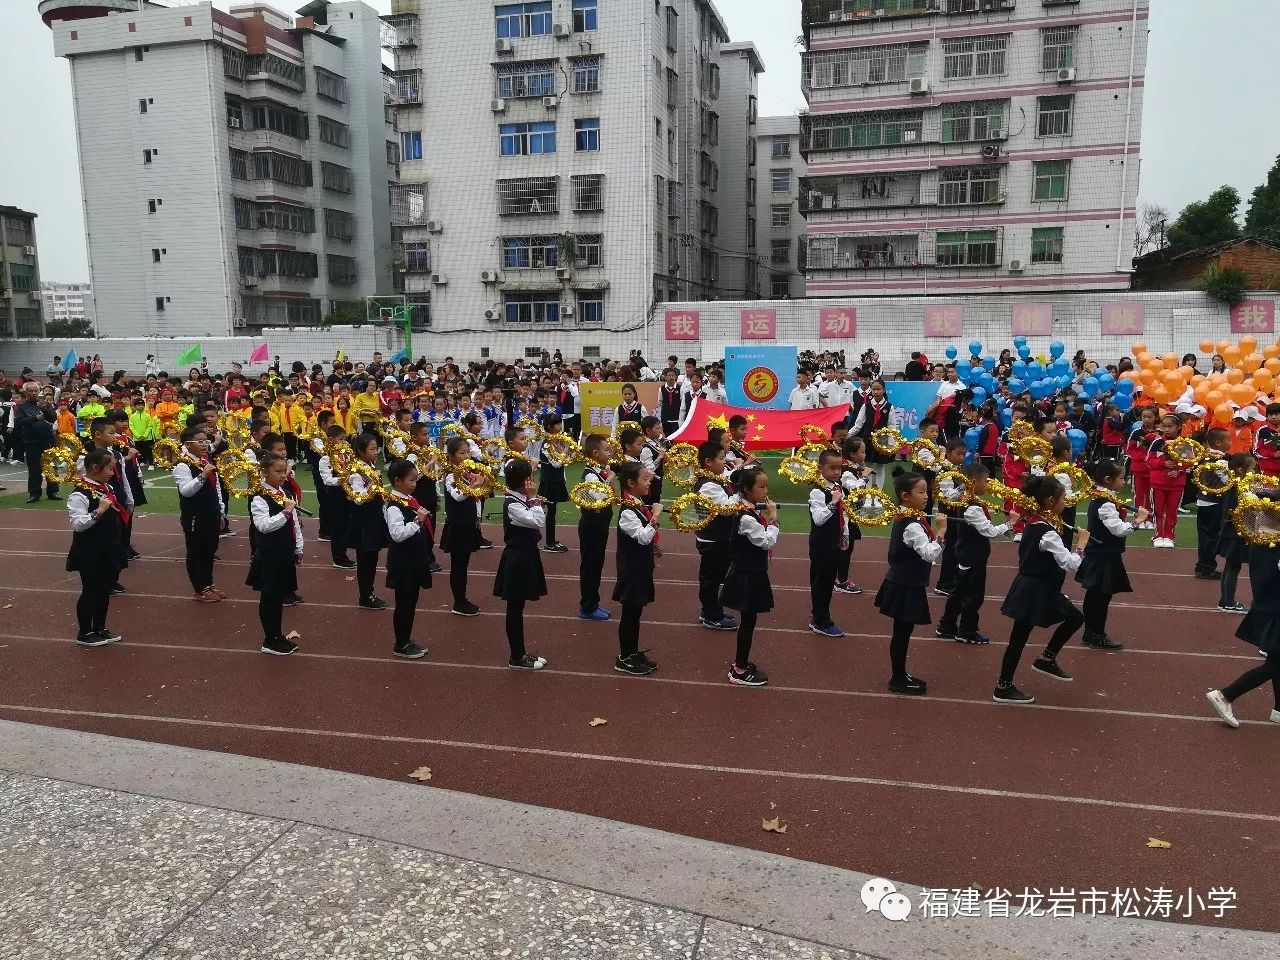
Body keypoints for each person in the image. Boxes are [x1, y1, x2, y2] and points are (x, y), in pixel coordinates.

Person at [995, 475, 1085, 704]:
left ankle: (1006, 684)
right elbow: (1070, 563)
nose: (1067, 502)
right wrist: (1082, 544)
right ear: (1050, 501)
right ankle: (1044, 660)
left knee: (1019, 637)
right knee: (1074, 618)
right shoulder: (1046, 531)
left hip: (1032, 585)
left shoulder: (1034, 523)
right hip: (1037, 588)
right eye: (1063, 498)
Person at [1205, 509, 1280, 728]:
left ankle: (1278, 709)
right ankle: (1226, 695)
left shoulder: (1262, 539)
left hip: (1270, 606)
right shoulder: (1271, 543)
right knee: (1275, 664)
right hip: (1275, 609)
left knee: (1276, 660)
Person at [874, 472, 945, 695]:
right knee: (902, 632)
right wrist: (941, 532)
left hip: (906, 582)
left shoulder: (912, 518)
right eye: (921, 492)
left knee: (903, 631)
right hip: (904, 584)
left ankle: (901, 674)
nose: (926, 496)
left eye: (927, 491)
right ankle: (897, 678)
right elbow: (929, 554)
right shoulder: (912, 525)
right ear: (905, 496)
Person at [934, 463, 1016, 646]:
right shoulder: (972, 508)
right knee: (973, 596)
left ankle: (946, 626)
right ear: (972, 482)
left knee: (958, 592)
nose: (987, 485)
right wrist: (1010, 524)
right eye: (985, 481)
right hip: (973, 556)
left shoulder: (966, 498)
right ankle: (967, 631)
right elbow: (990, 532)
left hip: (966, 553)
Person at [1075, 459, 1146, 651]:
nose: (1124, 482)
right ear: (1108, 479)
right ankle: (1095, 633)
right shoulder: (1105, 503)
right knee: (1100, 595)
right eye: (1122, 478)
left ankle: (1092, 632)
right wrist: (1137, 521)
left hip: (1102, 553)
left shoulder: (1105, 498)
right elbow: (1118, 530)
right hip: (1103, 555)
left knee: (1097, 595)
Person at [719, 466, 777, 687]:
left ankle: (741, 664)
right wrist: (773, 519)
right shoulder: (745, 516)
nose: (765, 491)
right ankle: (739, 669)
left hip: (752, 572)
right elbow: (765, 541)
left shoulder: (749, 509)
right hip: (746, 574)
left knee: (749, 621)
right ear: (747, 489)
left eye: (766, 486)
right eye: (761, 487)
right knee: (747, 622)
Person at [66, 448, 128, 647]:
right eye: (110, 469)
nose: (112, 473)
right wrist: (99, 511)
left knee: (103, 590)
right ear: (95, 467)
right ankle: (85, 632)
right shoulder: (80, 493)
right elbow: (78, 524)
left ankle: (100, 628)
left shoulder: (105, 488)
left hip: (108, 547)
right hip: (90, 551)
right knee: (91, 590)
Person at [494, 458, 550, 670]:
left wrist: (534, 501)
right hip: (517, 558)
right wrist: (534, 499)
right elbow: (537, 522)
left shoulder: (520, 499)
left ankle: (520, 652)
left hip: (526, 555)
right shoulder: (512, 504)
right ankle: (516, 656)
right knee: (515, 607)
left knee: (519, 606)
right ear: (526, 481)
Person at [248, 453, 303, 656]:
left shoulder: (285, 492)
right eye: (277, 471)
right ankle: (270, 638)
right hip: (269, 555)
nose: (282, 475)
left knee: (279, 596)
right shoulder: (259, 498)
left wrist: (298, 547)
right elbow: (263, 526)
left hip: (285, 553)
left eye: (284, 471)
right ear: (264, 472)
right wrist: (285, 513)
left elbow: (294, 524)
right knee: (269, 597)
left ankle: (277, 635)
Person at [613, 461, 661, 676]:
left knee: (636, 611)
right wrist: (656, 518)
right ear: (630, 483)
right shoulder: (627, 512)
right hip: (631, 569)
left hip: (641, 567)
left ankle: (632, 652)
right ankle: (625, 656)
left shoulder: (638, 505)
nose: (648, 482)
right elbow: (643, 538)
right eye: (644, 479)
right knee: (630, 613)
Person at [381, 459, 431, 660]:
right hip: (403, 562)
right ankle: (400, 644)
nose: (415, 483)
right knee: (404, 603)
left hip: (414, 559)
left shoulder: (408, 499)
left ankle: (406, 639)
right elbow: (397, 534)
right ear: (397, 481)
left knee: (411, 602)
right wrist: (418, 520)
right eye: (411, 480)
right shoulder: (394, 506)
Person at [174, 427, 224, 603]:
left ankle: (208, 584)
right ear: (188, 444)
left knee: (209, 550)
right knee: (196, 551)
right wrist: (202, 476)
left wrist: (221, 511)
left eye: (206, 441)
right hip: (195, 515)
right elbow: (186, 491)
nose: (205, 444)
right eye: (200, 441)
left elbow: (216, 488)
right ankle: (199, 588)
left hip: (211, 512)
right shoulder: (182, 465)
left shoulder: (205, 461)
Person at [694, 441, 737, 631]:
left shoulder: (716, 479)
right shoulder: (706, 486)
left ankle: (712, 609)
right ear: (708, 462)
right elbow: (726, 509)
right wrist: (742, 493)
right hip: (712, 539)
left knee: (716, 576)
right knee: (710, 578)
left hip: (720, 537)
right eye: (721, 459)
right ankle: (711, 614)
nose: (724, 462)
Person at [345, 432, 390, 610]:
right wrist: (371, 486)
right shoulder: (357, 473)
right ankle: (366, 596)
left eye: (376, 448)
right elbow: (358, 498)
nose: (376, 452)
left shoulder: (370, 466)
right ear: (360, 451)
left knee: (371, 559)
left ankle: (368, 592)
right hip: (364, 521)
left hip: (374, 517)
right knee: (366, 560)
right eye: (372, 449)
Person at [808, 450, 848, 638]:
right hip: (821, 543)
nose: (837, 472)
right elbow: (818, 519)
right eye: (832, 468)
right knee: (821, 581)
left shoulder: (837, 486)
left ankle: (819, 615)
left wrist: (844, 534)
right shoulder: (817, 491)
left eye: (839, 468)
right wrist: (832, 503)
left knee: (827, 580)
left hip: (834, 541)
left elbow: (843, 515)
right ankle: (821, 620)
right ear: (820, 468)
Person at [441, 435, 483, 616]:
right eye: (461, 453)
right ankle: (458, 602)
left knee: (463, 564)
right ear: (451, 456)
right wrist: (475, 484)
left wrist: (477, 517)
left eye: (468, 452)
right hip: (457, 525)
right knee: (458, 565)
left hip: (467, 522)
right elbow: (458, 496)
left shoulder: (466, 472)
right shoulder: (451, 475)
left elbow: (473, 499)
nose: (466, 456)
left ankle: (462, 599)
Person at [577, 435, 613, 621]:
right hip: (592, 526)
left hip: (599, 525)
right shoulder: (590, 474)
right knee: (591, 566)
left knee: (596, 565)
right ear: (595, 453)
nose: (610, 452)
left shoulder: (597, 470)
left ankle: (593, 602)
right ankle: (588, 607)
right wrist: (610, 479)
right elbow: (598, 499)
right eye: (606, 449)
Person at [1216, 453, 1255, 614]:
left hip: (1230, 530)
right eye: (1253, 468)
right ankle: (1229, 602)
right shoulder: (1239, 486)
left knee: (1230, 566)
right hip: (1236, 531)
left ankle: (1225, 600)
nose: (1255, 471)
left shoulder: (1233, 483)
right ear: (1241, 470)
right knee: (1233, 566)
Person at [1194, 428, 1233, 580]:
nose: (1230, 443)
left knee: (1204, 536)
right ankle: (1206, 567)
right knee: (1211, 536)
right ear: (1218, 442)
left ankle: (1203, 565)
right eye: (1228, 440)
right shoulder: (1220, 460)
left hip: (1203, 501)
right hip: (1214, 502)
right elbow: (1227, 481)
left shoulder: (1205, 456)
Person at [1146, 413, 1188, 548]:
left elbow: (1189, 463)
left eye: (1170, 426)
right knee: (1157, 510)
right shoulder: (1157, 442)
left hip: (1176, 485)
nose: (1167, 429)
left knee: (1172, 511)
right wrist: (1163, 464)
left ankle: (1169, 536)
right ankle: (1158, 535)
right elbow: (1149, 461)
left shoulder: (1184, 443)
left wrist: (1179, 469)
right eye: (1164, 426)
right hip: (1158, 483)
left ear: (1178, 427)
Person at [318, 424, 356, 569]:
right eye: (340, 439)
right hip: (335, 495)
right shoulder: (326, 459)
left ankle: (343, 554)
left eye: (345, 439)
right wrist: (345, 479)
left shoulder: (346, 454)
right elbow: (327, 480)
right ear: (331, 439)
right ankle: (338, 557)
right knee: (338, 526)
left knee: (346, 524)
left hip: (347, 493)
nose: (344, 442)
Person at [835, 437, 869, 595]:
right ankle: (841, 581)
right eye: (862, 452)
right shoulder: (847, 472)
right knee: (845, 548)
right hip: (845, 517)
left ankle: (839, 578)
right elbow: (854, 489)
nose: (865, 454)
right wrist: (864, 477)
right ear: (852, 454)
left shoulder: (854, 468)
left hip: (852, 514)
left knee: (847, 547)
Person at [16, 383, 60, 503]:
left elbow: (53, 418)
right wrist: (36, 418)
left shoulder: (46, 404)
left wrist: (45, 409)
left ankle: (53, 491)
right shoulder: (22, 407)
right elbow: (19, 422)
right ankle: (34, 493)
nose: (34, 393)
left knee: (51, 467)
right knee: (34, 468)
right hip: (31, 441)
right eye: (31, 391)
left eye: (36, 391)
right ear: (25, 393)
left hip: (48, 440)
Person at [537, 413, 569, 553]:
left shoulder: (556, 441)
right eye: (557, 424)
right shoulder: (547, 444)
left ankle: (551, 540)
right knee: (550, 511)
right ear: (550, 427)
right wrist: (566, 450)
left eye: (560, 423)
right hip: (549, 482)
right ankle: (549, 542)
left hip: (556, 480)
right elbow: (556, 463)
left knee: (552, 510)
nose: (560, 426)